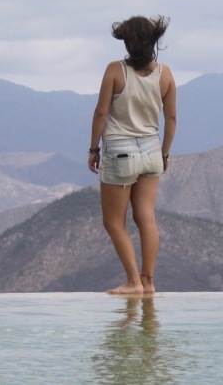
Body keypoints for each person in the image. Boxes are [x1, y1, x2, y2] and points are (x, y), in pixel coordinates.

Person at [88, 15, 177, 295]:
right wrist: (164, 154)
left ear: (127, 42)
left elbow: (101, 112)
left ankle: (133, 282)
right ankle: (148, 282)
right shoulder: (166, 74)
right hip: (152, 149)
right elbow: (172, 119)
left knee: (113, 221)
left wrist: (93, 149)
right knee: (146, 218)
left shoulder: (115, 70)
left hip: (120, 151)